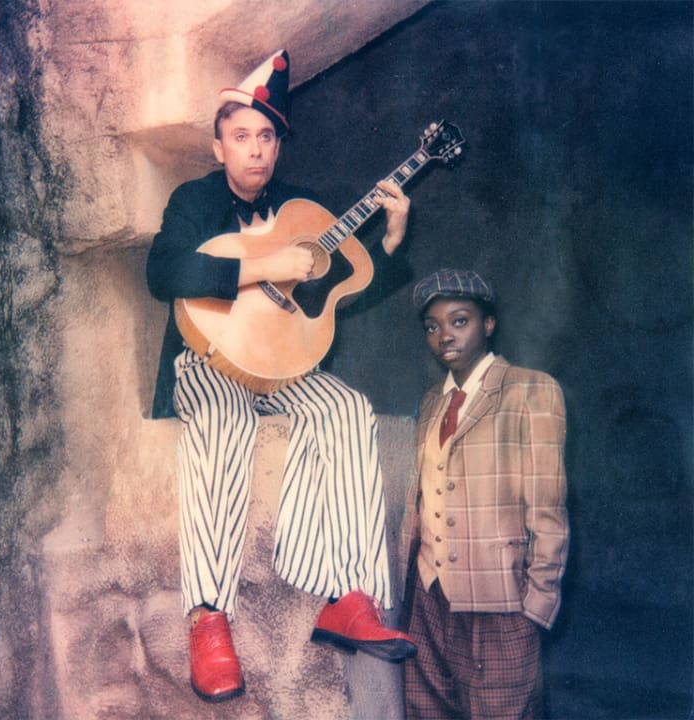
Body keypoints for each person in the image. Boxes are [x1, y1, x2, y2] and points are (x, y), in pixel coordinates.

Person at [146, 49, 417, 703]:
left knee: (346, 408)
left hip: (283, 366)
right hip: (210, 360)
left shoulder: (305, 210)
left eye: (266, 136)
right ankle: (208, 617)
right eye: (241, 136)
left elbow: (342, 295)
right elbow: (163, 273)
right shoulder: (193, 200)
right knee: (224, 419)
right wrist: (264, 268)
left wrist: (391, 241)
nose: (256, 150)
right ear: (219, 146)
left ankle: (346, 597)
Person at [399, 268, 569, 719]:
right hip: (430, 596)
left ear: (488, 324)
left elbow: (548, 508)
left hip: (502, 599)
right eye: (432, 326)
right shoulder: (433, 402)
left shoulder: (531, 390)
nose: (444, 336)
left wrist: (536, 605)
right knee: (427, 709)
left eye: (460, 321)